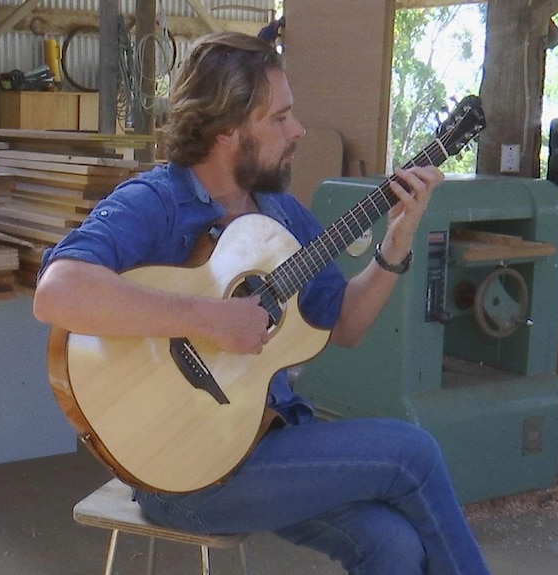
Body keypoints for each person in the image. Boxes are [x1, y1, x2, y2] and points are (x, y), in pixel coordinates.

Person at [33, 32, 491, 575]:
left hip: (269, 443)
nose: (297, 130)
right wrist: (210, 318)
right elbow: (57, 291)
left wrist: (395, 246)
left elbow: (346, 324)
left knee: (392, 544)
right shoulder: (154, 202)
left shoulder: (281, 215)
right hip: (180, 473)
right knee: (412, 452)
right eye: (280, 117)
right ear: (227, 129)